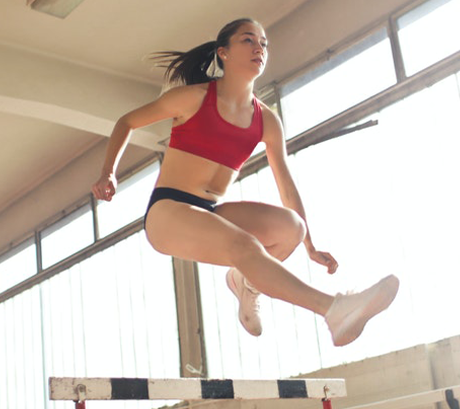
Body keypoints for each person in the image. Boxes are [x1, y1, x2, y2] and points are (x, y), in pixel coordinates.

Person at [92, 18, 398, 346]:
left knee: (292, 228)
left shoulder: (266, 120)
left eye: (264, 43)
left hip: (210, 212)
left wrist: (308, 244)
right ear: (223, 53)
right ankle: (334, 310)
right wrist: (109, 171)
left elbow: (285, 183)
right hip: (168, 212)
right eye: (248, 41)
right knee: (246, 246)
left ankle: (245, 282)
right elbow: (128, 121)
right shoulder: (192, 98)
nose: (259, 48)